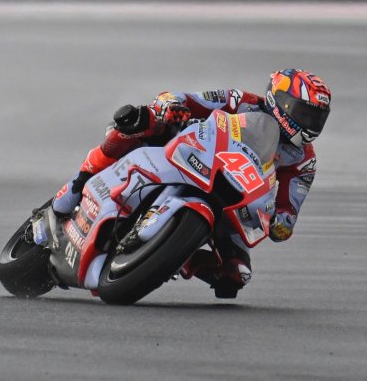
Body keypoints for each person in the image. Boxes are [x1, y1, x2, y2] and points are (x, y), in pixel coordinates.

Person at [51, 69, 332, 299]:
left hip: (233, 197)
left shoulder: (304, 161)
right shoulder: (240, 101)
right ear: (281, 102)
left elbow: (289, 207)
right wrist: (171, 107)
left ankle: (179, 258)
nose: (311, 124)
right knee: (139, 121)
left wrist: (282, 223)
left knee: (236, 274)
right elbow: (187, 98)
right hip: (192, 153)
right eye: (306, 113)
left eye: (318, 118)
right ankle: (79, 182)